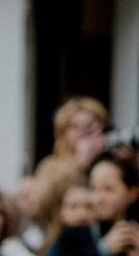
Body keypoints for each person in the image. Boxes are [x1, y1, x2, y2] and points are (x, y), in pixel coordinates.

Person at [32, 97, 108, 227]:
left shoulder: (108, 163)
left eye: (89, 125)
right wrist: (81, 162)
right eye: (74, 127)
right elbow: (42, 203)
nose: (81, 132)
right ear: (62, 132)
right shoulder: (51, 165)